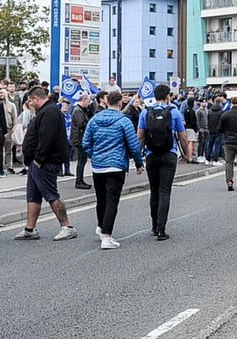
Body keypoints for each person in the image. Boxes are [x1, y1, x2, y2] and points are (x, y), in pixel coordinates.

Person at [83, 90, 144, 249]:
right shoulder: (124, 121)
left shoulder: (94, 119)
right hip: (116, 165)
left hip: (98, 166)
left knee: (101, 198)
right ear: (119, 103)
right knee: (112, 200)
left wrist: (94, 155)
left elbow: (85, 143)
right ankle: (107, 236)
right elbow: (133, 144)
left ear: (106, 102)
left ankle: (101, 226)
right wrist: (138, 163)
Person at [17, 86, 77, 241]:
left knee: (51, 194)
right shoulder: (45, 111)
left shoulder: (49, 112)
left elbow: (46, 138)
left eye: (30, 100)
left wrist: (39, 159)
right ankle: (30, 229)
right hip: (36, 162)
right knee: (33, 195)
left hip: (45, 162)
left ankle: (67, 226)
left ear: (36, 98)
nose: (30, 103)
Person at [138, 83, 188, 241]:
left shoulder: (145, 113)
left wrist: (138, 157)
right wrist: (186, 154)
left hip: (151, 155)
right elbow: (182, 136)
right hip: (169, 154)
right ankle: (161, 229)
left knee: (154, 191)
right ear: (168, 97)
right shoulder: (174, 112)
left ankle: (154, 226)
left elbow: (139, 136)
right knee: (165, 191)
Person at [70, 90, 94, 188]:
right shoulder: (78, 111)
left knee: (82, 160)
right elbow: (82, 124)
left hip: (80, 138)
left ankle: (80, 180)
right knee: (81, 160)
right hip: (79, 138)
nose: (88, 104)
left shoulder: (81, 110)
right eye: (88, 102)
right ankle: (79, 181)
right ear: (83, 100)